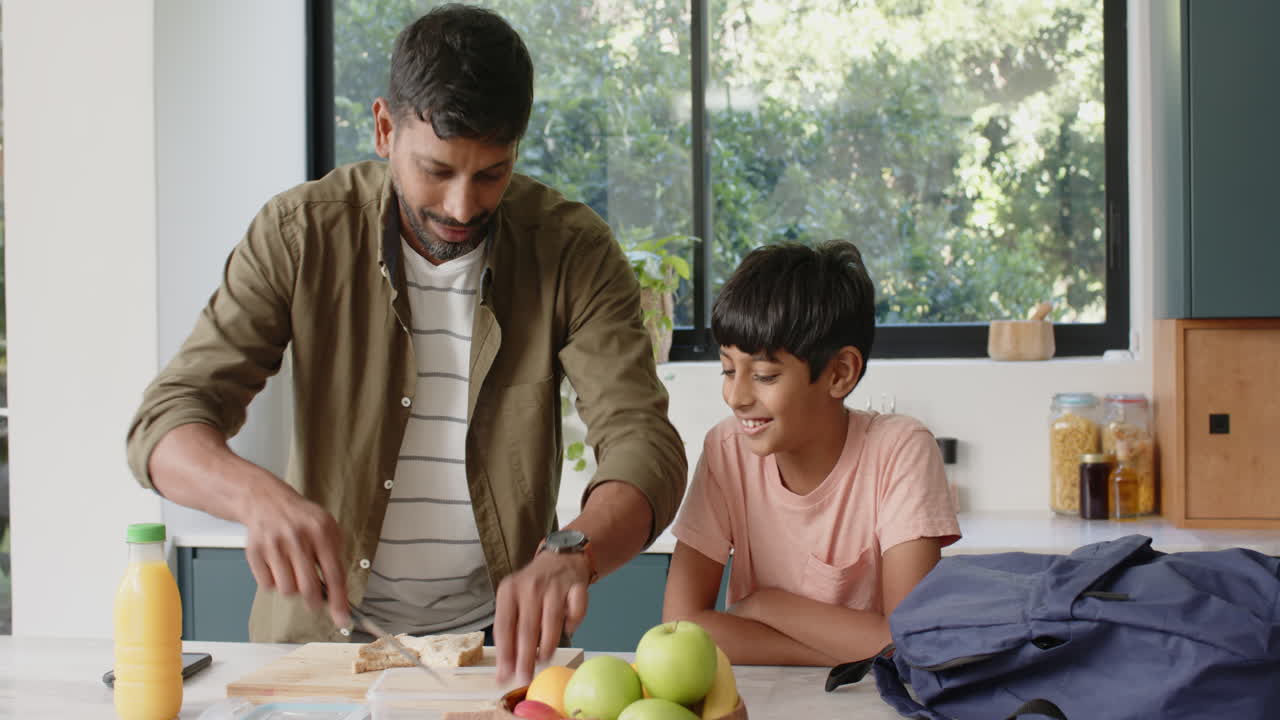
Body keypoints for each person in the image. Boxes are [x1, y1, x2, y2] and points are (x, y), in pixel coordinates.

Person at [126, 4, 686, 683]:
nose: (460, 206)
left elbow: (642, 442)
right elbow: (165, 423)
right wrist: (254, 496)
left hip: (492, 653)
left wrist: (573, 549)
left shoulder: (571, 250)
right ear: (385, 128)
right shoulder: (300, 233)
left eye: (490, 175)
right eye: (437, 170)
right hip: (316, 648)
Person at [662, 241, 960, 666]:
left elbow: (907, 644)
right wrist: (849, 649)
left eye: (764, 375)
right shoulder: (727, 449)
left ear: (839, 373)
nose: (735, 395)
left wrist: (768, 606)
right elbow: (679, 630)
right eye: (728, 369)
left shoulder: (900, 450)